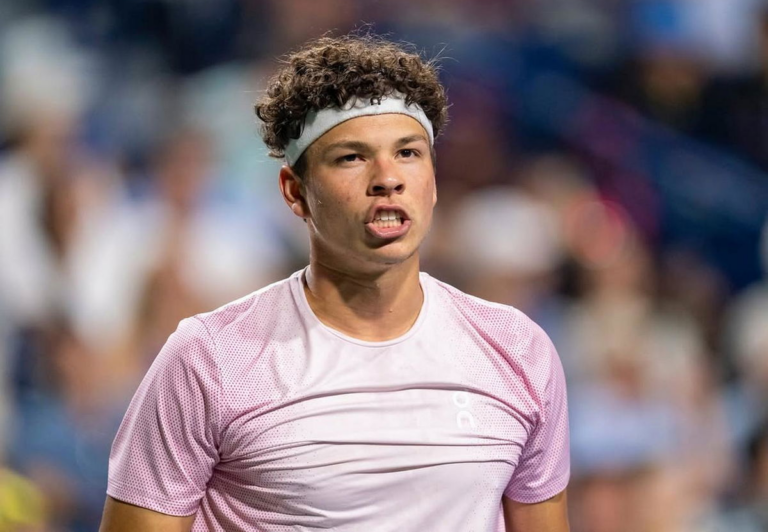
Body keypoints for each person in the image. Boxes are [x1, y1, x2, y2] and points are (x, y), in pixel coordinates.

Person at [98, 34, 571, 532]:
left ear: (433, 179)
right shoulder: (208, 359)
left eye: (409, 153)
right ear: (295, 192)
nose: (387, 178)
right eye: (351, 157)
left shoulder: (518, 350)